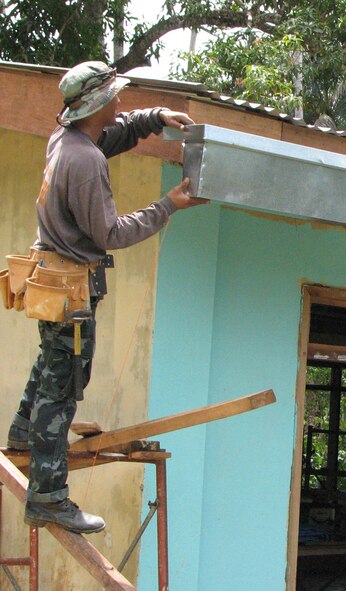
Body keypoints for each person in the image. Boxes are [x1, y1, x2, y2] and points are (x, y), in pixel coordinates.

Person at [5, 61, 207, 534]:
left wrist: (156, 117)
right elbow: (111, 233)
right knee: (64, 386)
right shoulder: (86, 162)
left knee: (51, 361)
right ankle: (49, 496)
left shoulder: (68, 139)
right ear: (97, 105)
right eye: (115, 97)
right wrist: (166, 207)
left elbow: (112, 134)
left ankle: (21, 430)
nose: (120, 103)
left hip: (51, 279)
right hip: (72, 286)